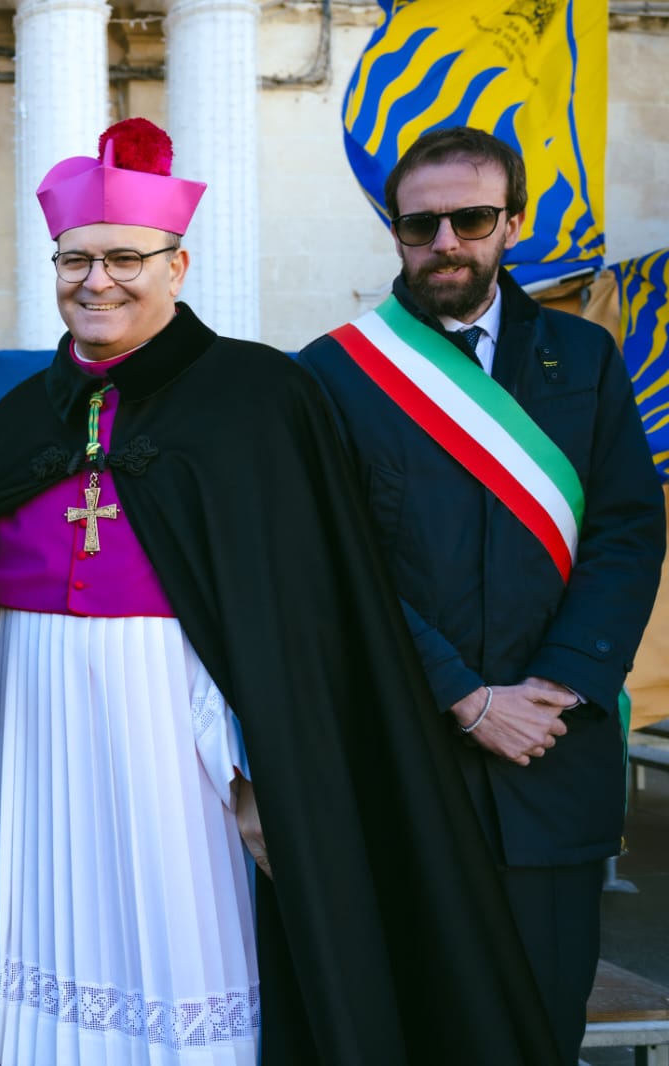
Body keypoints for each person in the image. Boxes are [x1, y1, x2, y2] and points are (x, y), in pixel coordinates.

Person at [0, 118, 562, 1065]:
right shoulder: (26, 409)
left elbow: (305, 610)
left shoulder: (260, 395)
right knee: (43, 920)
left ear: (177, 265)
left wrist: (263, 762)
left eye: (123, 258)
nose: (96, 280)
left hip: (179, 733)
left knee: (180, 936)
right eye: (74, 260)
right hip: (31, 728)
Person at [300, 125, 666, 1064]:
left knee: (538, 1025)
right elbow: (330, 562)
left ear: (514, 222)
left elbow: (627, 531)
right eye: (420, 225)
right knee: (408, 1028)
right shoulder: (331, 374)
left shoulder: (583, 358)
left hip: (552, 751)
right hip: (405, 753)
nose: (445, 243)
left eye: (470, 218)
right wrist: (465, 698)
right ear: (395, 233)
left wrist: (555, 687)